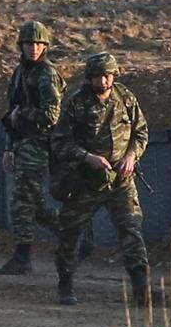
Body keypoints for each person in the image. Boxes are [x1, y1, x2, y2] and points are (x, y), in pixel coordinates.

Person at [49, 53, 158, 307]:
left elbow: (140, 132)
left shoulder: (125, 98)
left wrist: (131, 156)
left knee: (131, 229)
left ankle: (141, 287)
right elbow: (60, 142)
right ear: (90, 78)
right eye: (98, 76)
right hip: (86, 181)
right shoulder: (76, 103)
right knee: (70, 233)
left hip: (121, 181)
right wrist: (87, 157)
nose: (104, 81)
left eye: (108, 75)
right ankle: (65, 283)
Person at [0, 20, 65, 275]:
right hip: (24, 143)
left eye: (38, 44)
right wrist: (9, 149)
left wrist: (23, 114)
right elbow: (11, 115)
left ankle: (26, 256)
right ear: (21, 46)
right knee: (27, 202)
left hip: (40, 143)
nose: (33, 48)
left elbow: (51, 115)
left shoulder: (46, 73)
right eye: (28, 43)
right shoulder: (21, 73)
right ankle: (69, 238)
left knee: (25, 201)